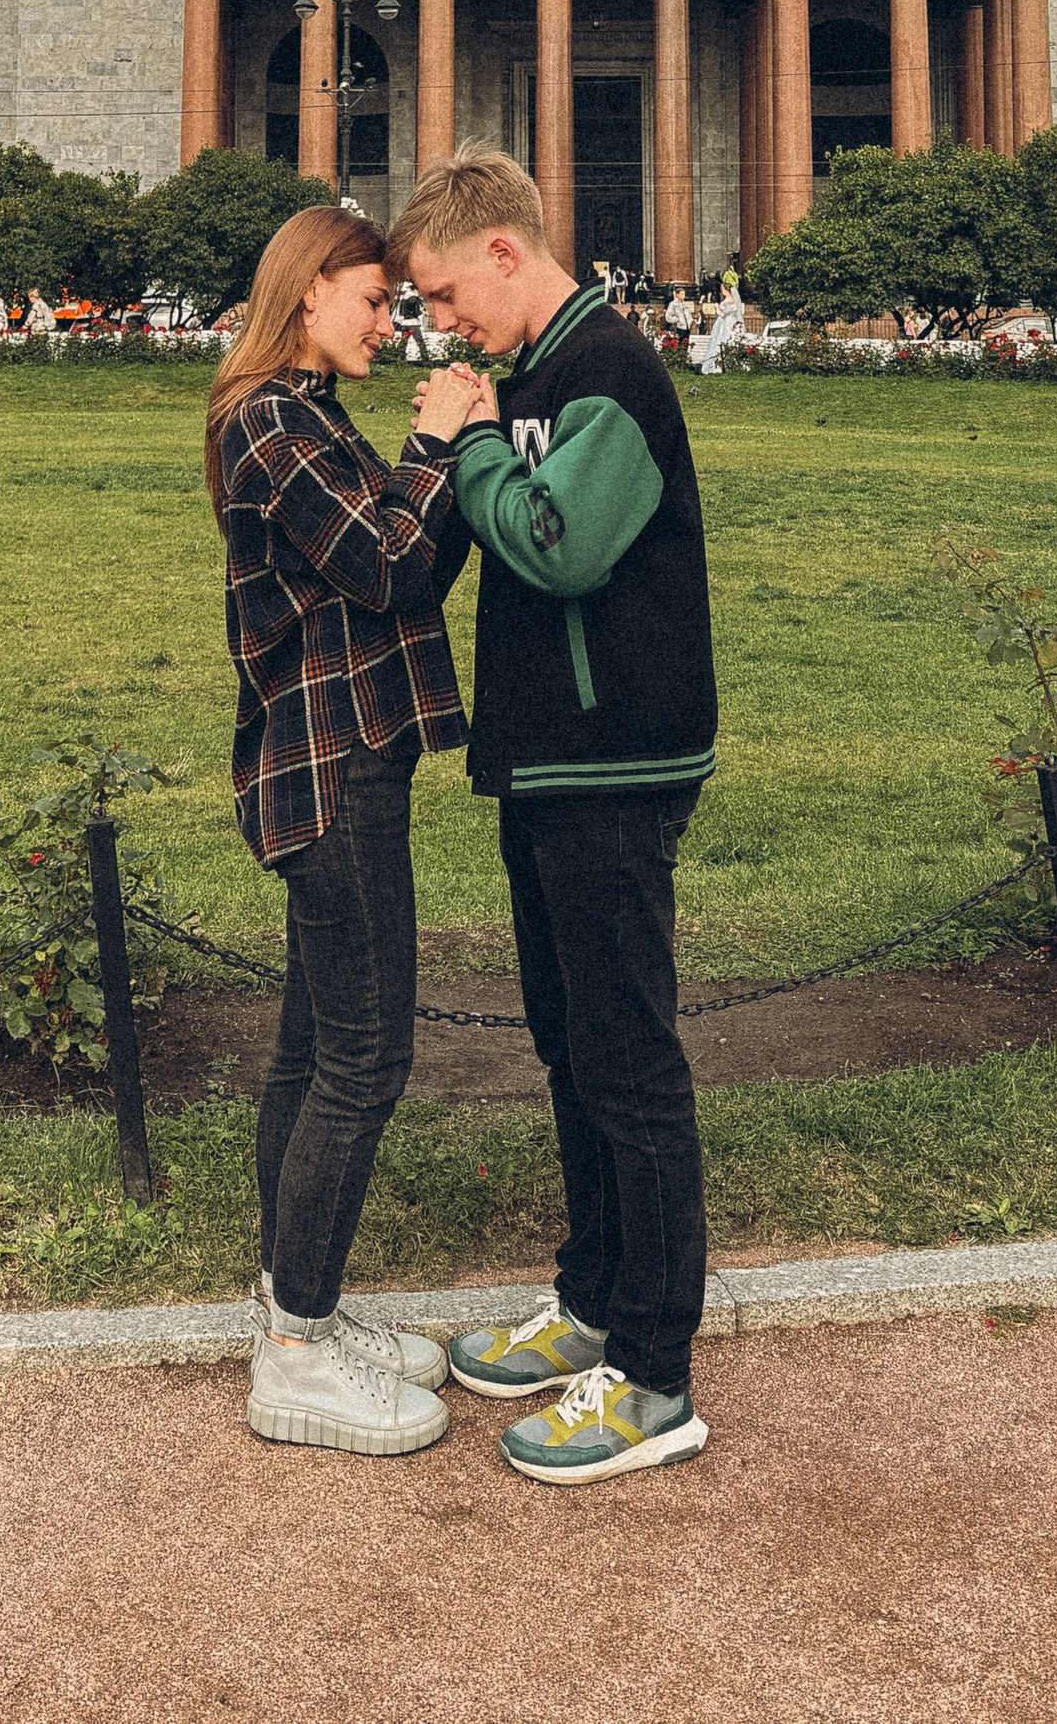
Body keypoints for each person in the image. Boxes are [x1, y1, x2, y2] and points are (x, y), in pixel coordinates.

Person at [388, 145, 716, 1487]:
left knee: (628, 1058)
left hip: (616, 758)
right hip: (544, 759)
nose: (444, 324)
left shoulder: (612, 374)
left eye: (451, 295)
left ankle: (654, 1372)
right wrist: (442, 447)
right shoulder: (526, 383)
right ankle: (590, 1299)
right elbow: (464, 535)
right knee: (569, 1042)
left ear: (508, 253)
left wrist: (468, 443)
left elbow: (563, 544)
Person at [206, 201, 494, 1459]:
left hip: (334, 752)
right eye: (374, 298)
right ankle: (298, 1351)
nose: (393, 318)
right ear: (308, 291)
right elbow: (392, 567)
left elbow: (409, 550)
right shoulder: (272, 418)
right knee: (364, 1059)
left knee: (309, 1046)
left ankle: (291, 1301)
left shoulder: (306, 414)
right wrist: (438, 444)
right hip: (329, 768)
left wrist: (439, 469)